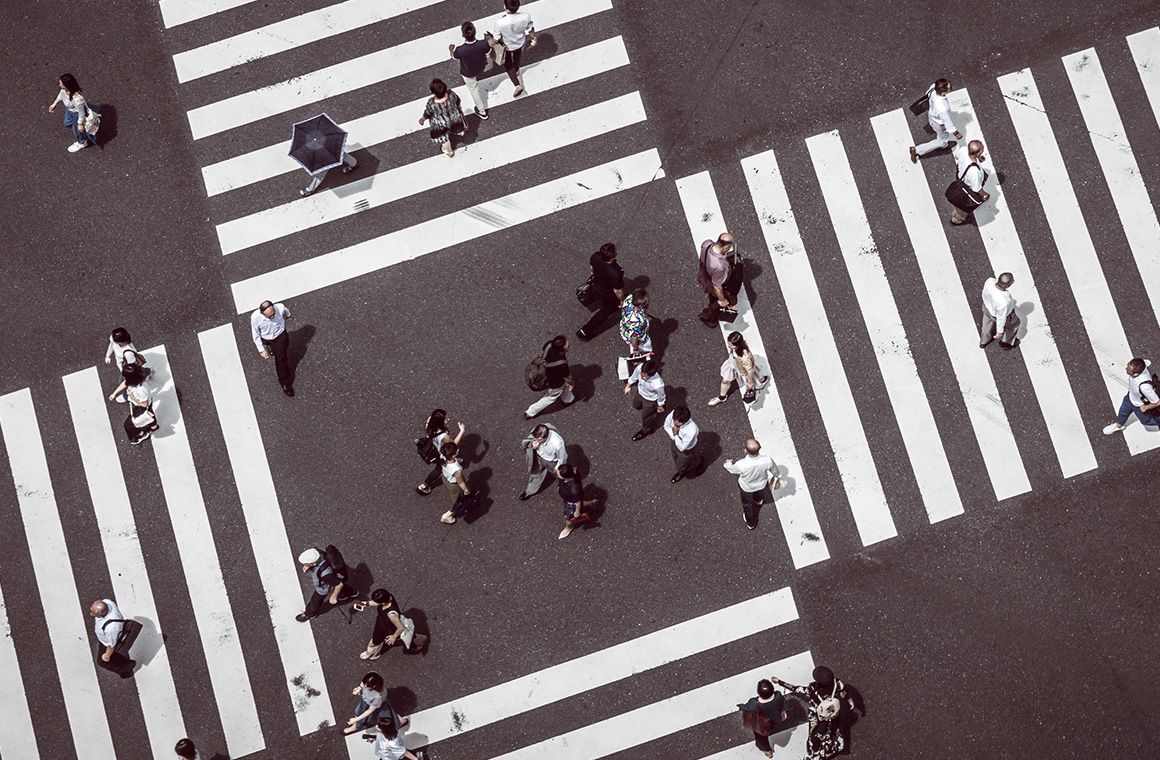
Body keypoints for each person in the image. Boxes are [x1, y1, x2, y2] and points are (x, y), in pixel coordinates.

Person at [771, 666, 860, 759]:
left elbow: (796, 688)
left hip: (818, 715)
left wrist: (780, 682)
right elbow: (844, 693)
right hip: (832, 712)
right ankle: (832, 747)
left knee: (816, 733)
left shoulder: (813, 689)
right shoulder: (837, 683)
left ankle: (815, 752)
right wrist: (850, 701)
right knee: (833, 729)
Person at [576, 242, 626, 341]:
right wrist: (623, 301)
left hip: (596, 285)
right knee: (606, 311)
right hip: (608, 293)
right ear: (613, 257)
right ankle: (585, 331)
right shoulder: (616, 273)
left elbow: (592, 269)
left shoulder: (596, 256)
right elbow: (618, 291)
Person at [359, 589, 428, 660]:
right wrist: (366, 603)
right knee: (407, 636)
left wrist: (393, 637)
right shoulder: (388, 597)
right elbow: (378, 603)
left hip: (386, 628)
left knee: (375, 642)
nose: (374, 602)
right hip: (385, 624)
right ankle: (420, 641)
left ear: (383, 603)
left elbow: (401, 628)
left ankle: (372, 654)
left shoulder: (391, 614)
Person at [724, 439, 777, 530]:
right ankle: (758, 500)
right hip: (761, 484)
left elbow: (732, 469)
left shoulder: (741, 464)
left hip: (747, 487)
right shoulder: (767, 460)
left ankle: (751, 523)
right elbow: (775, 471)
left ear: (746, 450)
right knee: (759, 492)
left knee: (747, 505)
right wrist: (777, 476)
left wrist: (728, 464)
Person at [108, 353, 158, 446]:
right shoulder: (136, 379)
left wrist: (132, 396)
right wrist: (114, 393)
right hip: (144, 402)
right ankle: (153, 426)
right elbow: (125, 383)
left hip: (140, 406)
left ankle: (141, 434)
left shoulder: (141, 389)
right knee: (150, 413)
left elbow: (144, 405)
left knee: (128, 425)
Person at [909, 78, 963, 162]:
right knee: (942, 141)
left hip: (932, 116)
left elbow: (927, 94)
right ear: (943, 92)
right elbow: (947, 122)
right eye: (949, 88)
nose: (950, 87)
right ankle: (917, 150)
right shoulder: (942, 107)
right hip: (939, 123)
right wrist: (956, 133)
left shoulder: (933, 88)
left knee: (934, 127)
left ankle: (941, 140)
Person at [1103, 358, 1160, 435]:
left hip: (1139, 405)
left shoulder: (1145, 387)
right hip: (1130, 398)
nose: (1125, 368)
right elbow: (1146, 362)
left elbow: (1157, 402)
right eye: (1128, 365)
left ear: (1136, 374)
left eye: (1128, 369)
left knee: (1146, 421)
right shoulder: (1141, 366)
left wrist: (1145, 408)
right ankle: (1118, 426)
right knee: (1122, 412)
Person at [709, 331, 768, 406]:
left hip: (742, 369)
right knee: (725, 381)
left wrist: (750, 382)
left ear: (738, 345)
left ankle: (761, 381)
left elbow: (750, 370)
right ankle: (722, 397)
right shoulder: (738, 348)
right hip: (734, 364)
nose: (728, 346)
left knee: (751, 382)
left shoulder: (745, 356)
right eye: (728, 343)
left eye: (731, 345)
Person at [493, 0, 537, 97]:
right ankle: (516, 70)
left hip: (507, 45)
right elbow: (530, 29)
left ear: (505, 7)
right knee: (518, 55)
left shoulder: (500, 23)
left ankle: (517, 85)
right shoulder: (525, 16)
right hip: (520, 42)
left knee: (508, 62)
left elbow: (496, 38)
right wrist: (533, 38)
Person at [250, 300, 294, 396]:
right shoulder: (255, 317)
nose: (272, 317)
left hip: (280, 336)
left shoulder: (280, 307)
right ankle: (270, 348)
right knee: (271, 347)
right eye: (269, 317)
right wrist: (261, 350)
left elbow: (286, 312)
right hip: (266, 338)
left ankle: (285, 382)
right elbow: (256, 334)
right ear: (262, 314)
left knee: (281, 360)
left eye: (273, 314)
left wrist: (288, 316)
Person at [415, 410, 465, 495]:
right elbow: (452, 446)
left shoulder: (430, 421)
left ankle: (454, 459)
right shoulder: (443, 436)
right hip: (440, 454)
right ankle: (424, 485)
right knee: (439, 469)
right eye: (445, 419)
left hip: (433, 448)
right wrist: (462, 431)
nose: (448, 419)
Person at [295, 547, 351, 622]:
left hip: (323, 588)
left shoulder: (325, 574)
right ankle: (351, 592)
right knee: (336, 584)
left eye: (306, 564)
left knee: (315, 601)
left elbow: (339, 585)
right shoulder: (319, 554)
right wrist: (308, 566)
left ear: (314, 563)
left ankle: (309, 613)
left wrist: (333, 597)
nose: (305, 565)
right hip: (332, 579)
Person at [526, 335, 575, 418]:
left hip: (547, 374)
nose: (569, 346)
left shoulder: (549, 344)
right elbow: (568, 378)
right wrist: (572, 383)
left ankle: (567, 399)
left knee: (564, 386)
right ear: (561, 350)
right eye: (567, 346)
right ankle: (530, 412)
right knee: (550, 397)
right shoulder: (562, 365)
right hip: (554, 382)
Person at [48, 73, 98, 152]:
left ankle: (82, 142)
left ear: (67, 85)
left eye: (61, 84)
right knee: (67, 123)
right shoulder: (64, 90)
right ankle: (81, 130)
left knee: (77, 130)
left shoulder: (78, 99)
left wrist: (80, 124)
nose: (59, 85)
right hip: (69, 111)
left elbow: (81, 113)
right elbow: (61, 94)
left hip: (77, 114)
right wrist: (55, 103)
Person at [737, 679, 787, 758]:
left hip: (762, 724)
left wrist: (741, 706)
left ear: (758, 692)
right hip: (774, 719)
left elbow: (746, 708)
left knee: (761, 737)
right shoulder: (778, 695)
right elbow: (782, 705)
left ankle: (767, 751)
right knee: (770, 726)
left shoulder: (754, 703)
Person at [450, 21, 490, 119]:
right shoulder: (483, 44)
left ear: (463, 35)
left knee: (474, 90)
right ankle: (481, 111)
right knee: (474, 88)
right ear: (475, 32)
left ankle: (482, 111)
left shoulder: (460, 50)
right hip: (480, 67)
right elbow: (488, 54)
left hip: (468, 72)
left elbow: (454, 56)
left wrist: (451, 49)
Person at [697, 233, 738, 327]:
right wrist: (722, 300)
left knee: (714, 298)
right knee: (727, 301)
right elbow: (717, 287)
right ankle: (707, 316)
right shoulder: (720, 266)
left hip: (704, 275)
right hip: (713, 283)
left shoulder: (707, 244)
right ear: (726, 247)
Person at [419, 78, 467, 157]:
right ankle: (454, 132)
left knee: (444, 139)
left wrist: (422, 119)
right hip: (454, 119)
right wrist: (460, 112)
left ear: (432, 92)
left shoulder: (431, 103)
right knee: (455, 127)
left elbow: (428, 113)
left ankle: (449, 152)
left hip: (440, 123)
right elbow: (458, 102)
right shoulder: (451, 94)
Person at [520, 423, 566, 500]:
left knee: (558, 475)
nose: (536, 441)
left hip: (551, 462)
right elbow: (530, 440)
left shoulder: (557, 444)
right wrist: (533, 445)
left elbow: (562, 457)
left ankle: (563, 487)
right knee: (535, 474)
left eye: (539, 440)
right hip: (539, 457)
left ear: (546, 437)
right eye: (535, 439)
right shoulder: (537, 431)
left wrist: (557, 468)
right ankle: (530, 491)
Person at [89, 598, 134, 677]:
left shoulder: (111, 628)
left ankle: (126, 667)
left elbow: (111, 645)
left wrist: (107, 656)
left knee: (102, 662)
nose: (91, 614)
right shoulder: (107, 602)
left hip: (109, 641)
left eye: (94, 613)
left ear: (102, 614)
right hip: (106, 637)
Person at [949, 139, 990, 225]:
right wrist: (984, 195)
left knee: (960, 203)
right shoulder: (974, 172)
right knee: (962, 207)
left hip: (960, 178)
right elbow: (976, 189)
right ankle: (957, 220)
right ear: (978, 153)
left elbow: (957, 157)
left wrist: (978, 158)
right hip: (967, 187)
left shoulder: (963, 150)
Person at [624, 359, 665, 441]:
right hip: (640, 393)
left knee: (645, 417)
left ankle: (646, 430)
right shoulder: (640, 368)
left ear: (652, 375)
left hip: (650, 400)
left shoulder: (658, 384)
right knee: (636, 405)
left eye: (645, 377)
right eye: (642, 375)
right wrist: (628, 385)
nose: (642, 377)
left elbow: (661, 396)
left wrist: (660, 405)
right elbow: (634, 376)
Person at [980, 272, 1021, 350]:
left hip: (986, 308)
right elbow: (1001, 317)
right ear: (1008, 285)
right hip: (998, 314)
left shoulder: (989, 281)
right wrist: (999, 331)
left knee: (986, 324)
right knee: (1014, 325)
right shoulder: (1004, 301)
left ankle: (984, 341)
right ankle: (1006, 343)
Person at [438, 441, 474, 524]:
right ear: (453, 455)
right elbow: (460, 481)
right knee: (457, 501)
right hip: (454, 485)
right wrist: (466, 490)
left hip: (445, 478)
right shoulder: (456, 470)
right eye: (456, 450)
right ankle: (447, 516)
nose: (458, 450)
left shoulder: (443, 455)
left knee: (457, 497)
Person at [105, 327, 144, 401]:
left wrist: (127, 379)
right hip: (122, 365)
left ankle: (126, 397)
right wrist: (107, 356)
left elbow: (132, 368)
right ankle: (147, 372)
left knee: (123, 382)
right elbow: (111, 345)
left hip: (125, 369)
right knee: (139, 373)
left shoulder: (128, 353)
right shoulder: (113, 339)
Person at [664, 405, 701, 483]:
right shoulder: (675, 414)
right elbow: (666, 425)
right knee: (674, 455)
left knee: (682, 463)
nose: (674, 423)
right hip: (675, 441)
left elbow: (682, 447)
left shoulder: (691, 430)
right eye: (674, 420)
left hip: (686, 449)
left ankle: (682, 471)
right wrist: (674, 436)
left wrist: (675, 435)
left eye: (677, 424)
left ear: (684, 422)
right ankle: (685, 467)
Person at [555, 464, 590, 539]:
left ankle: (569, 527)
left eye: (558, 474)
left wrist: (577, 512)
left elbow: (577, 501)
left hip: (571, 503)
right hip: (571, 499)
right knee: (581, 502)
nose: (557, 473)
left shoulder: (574, 489)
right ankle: (591, 503)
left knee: (569, 517)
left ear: (565, 477)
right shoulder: (573, 474)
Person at [618, 289, 652, 355]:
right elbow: (634, 338)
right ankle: (642, 355)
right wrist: (635, 349)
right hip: (637, 338)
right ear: (641, 306)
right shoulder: (636, 322)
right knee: (644, 348)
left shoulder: (630, 298)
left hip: (625, 328)